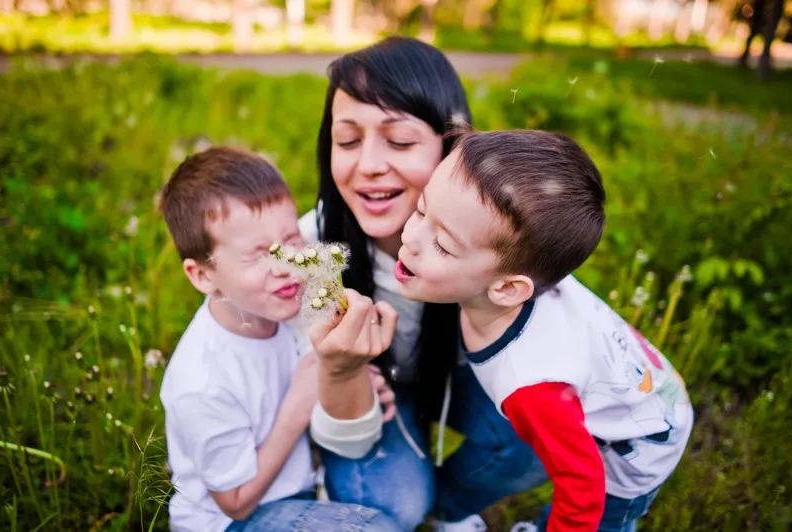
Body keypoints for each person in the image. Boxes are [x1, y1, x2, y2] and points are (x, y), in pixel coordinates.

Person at [290, 36, 549, 531]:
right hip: (371, 398)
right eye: (347, 141)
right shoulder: (312, 257)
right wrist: (341, 371)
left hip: (454, 373)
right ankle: (408, 497)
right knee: (394, 506)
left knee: (541, 431)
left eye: (401, 141)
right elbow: (339, 431)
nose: (367, 164)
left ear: (450, 148)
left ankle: (447, 509)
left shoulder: (495, 233)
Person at [393, 127, 695, 530]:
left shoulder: (533, 387)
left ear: (507, 289)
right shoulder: (513, 276)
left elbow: (583, 484)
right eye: (421, 209)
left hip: (638, 442)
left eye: (444, 245)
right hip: (635, 379)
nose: (411, 238)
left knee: (602, 516)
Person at [157, 146, 402, 532]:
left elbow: (319, 378)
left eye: (292, 240)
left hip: (295, 490)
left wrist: (350, 379)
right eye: (258, 256)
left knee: (396, 511)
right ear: (203, 275)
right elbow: (235, 503)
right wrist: (298, 405)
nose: (288, 267)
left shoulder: (284, 311)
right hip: (230, 522)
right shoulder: (202, 383)